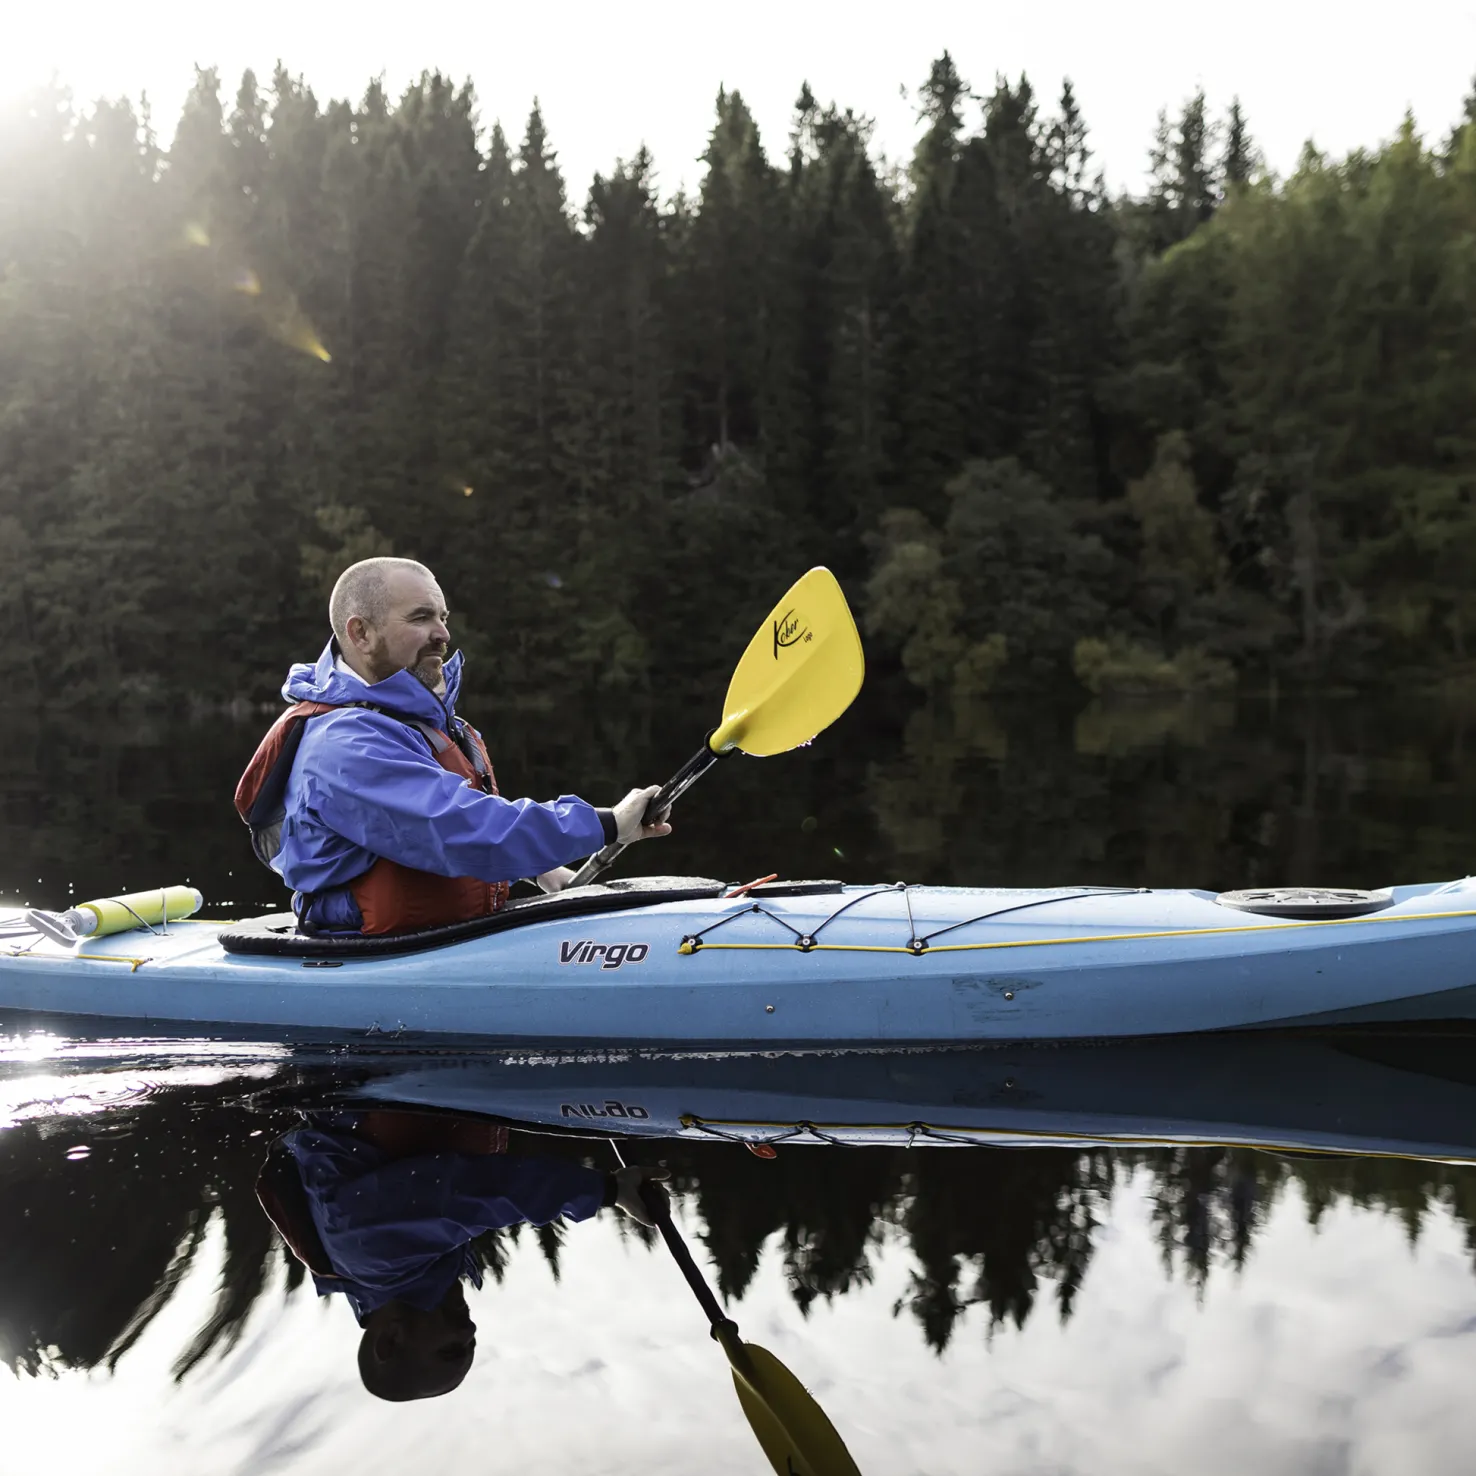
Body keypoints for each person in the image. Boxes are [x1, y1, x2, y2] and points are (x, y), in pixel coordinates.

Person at [235, 557, 670, 934]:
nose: (443, 633)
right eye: (422, 617)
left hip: (442, 936)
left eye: (444, 618)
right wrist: (606, 823)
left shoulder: (416, 721)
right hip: (373, 952)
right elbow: (458, 828)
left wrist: (541, 868)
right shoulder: (343, 745)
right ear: (361, 634)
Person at [254, 1109, 669, 1402]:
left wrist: (610, 1191)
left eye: (452, 1348)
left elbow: (475, 1192)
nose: (469, 1332)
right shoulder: (392, 1271)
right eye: (472, 1346)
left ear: (390, 1340)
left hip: (374, 1081)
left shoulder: (373, 1257)